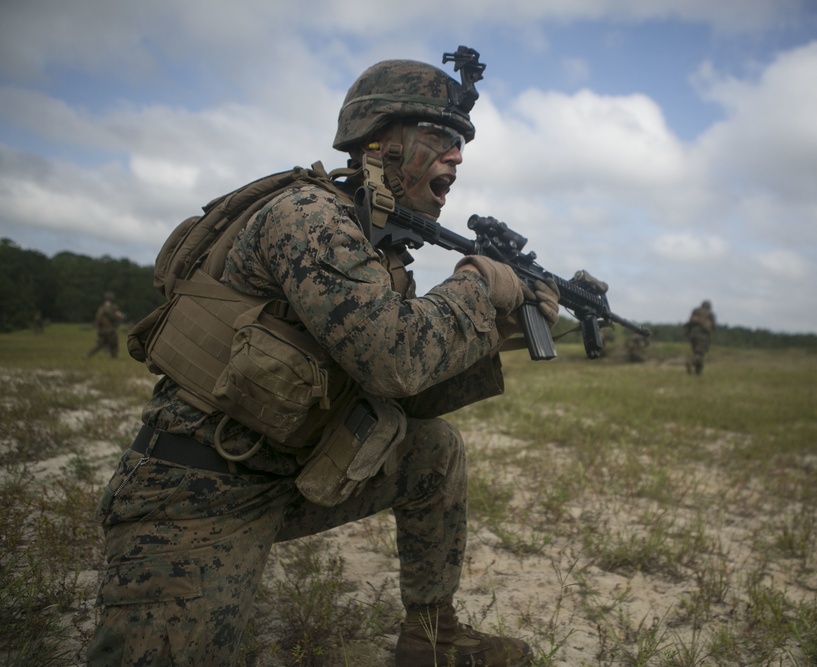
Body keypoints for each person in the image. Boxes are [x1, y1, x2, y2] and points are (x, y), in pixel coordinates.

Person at [87, 49, 560, 667]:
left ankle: (432, 637)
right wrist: (477, 284)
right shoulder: (309, 218)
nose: (458, 156)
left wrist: (498, 331)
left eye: (459, 142)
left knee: (433, 452)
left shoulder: (376, 248)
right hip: (195, 493)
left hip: (291, 473)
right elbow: (394, 357)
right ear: (379, 144)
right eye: (440, 135)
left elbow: (402, 394)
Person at [87, 292, 124, 358]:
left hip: (102, 329)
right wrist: (118, 316)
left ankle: (88, 355)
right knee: (114, 343)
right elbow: (113, 317)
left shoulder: (101, 308)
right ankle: (114, 357)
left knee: (100, 344)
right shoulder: (108, 308)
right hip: (109, 329)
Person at [683, 300, 716, 375]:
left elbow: (689, 323)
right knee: (700, 354)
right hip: (702, 335)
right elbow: (713, 326)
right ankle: (691, 363)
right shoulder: (709, 314)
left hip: (692, 334)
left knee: (696, 352)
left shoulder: (695, 311)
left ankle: (698, 373)